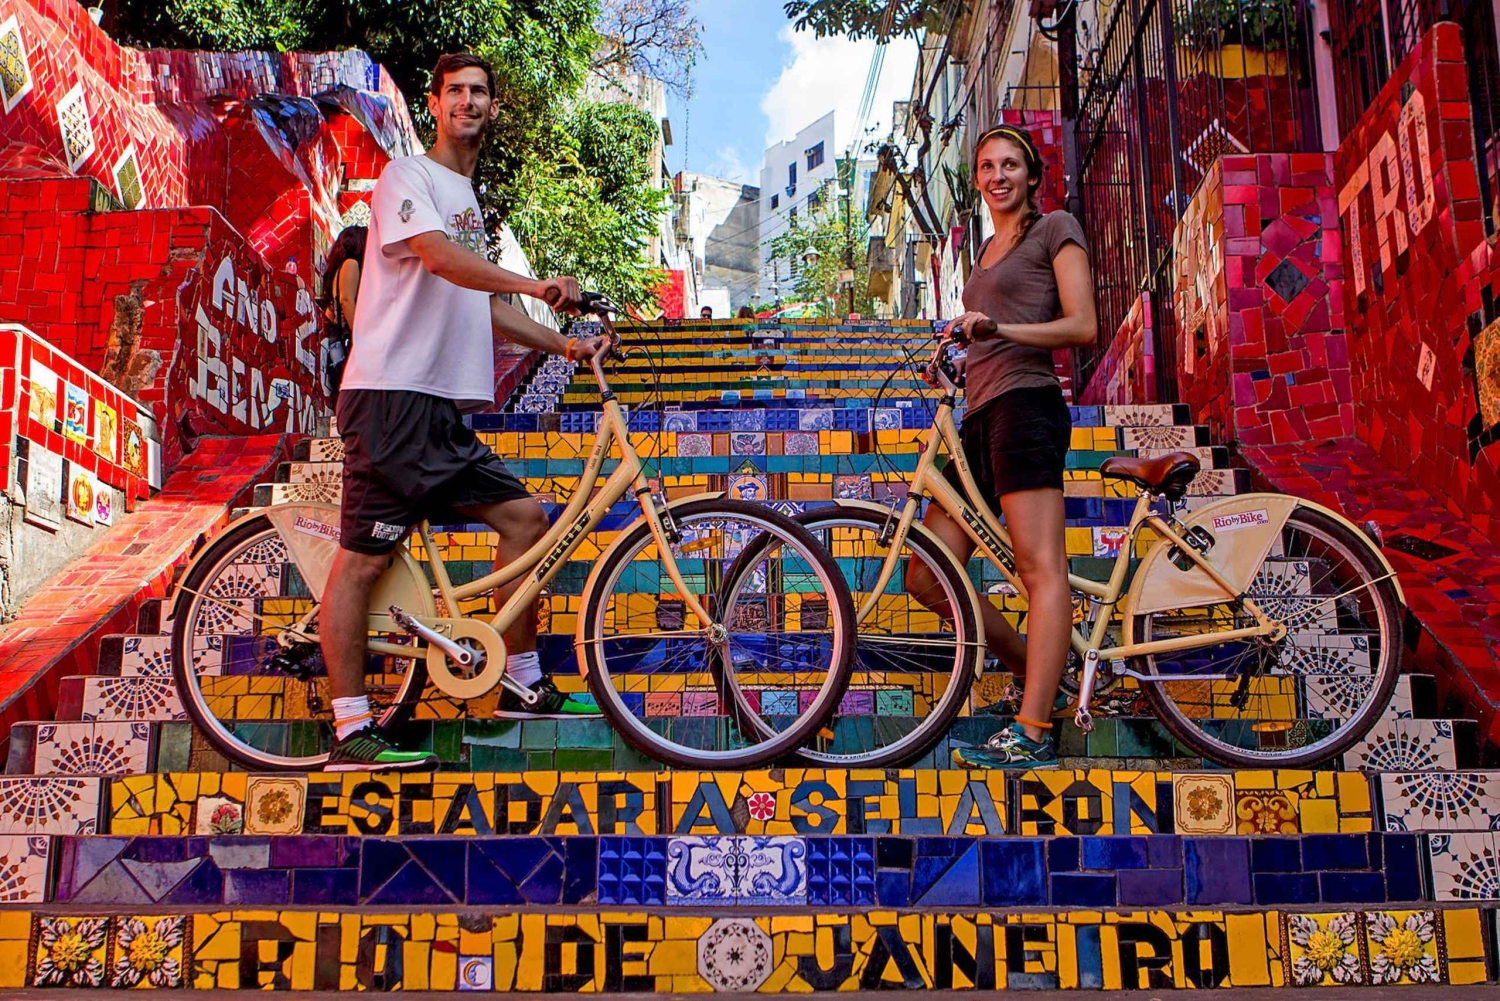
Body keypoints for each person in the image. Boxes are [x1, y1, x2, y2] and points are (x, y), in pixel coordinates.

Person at [322, 52, 610, 771]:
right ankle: (351, 728)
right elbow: (436, 257)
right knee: (362, 561)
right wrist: (539, 285)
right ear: (435, 103)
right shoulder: (409, 177)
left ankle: (521, 681)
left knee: (524, 520)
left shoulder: (467, 203)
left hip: (438, 409)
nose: (469, 102)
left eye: (480, 92)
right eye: (456, 91)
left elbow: (481, 303)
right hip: (391, 397)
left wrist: (564, 345)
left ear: (492, 106)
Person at [905, 124, 1097, 768]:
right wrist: (960, 359)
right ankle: (1044, 675)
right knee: (927, 575)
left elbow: (1083, 324)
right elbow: (988, 335)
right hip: (978, 416)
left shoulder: (1055, 229)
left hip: (1027, 407)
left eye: (1010, 164)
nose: (997, 176)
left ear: (1031, 175)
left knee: (1040, 568)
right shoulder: (984, 251)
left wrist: (999, 329)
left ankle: (1034, 730)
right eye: (987, 166)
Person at [319, 225, 366, 396]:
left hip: (338, 342)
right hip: (347, 339)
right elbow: (346, 300)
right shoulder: (351, 264)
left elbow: (332, 310)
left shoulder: (338, 269)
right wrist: (360, 336)